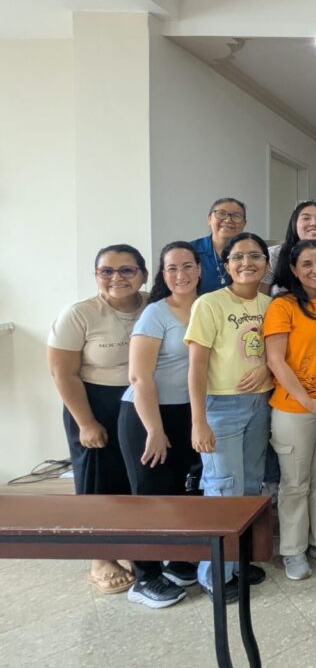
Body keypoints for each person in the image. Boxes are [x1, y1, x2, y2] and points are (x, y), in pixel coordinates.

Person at [47, 244, 149, 594]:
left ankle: (139, 546)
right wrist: (86, 423)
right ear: (96, 276)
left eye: (127, 270)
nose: (116, 277)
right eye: (106, 271)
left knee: (136, 476)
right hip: (95, 403)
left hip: (142, 402)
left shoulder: (153, 305)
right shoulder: (79, 314)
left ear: (143, 274)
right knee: (97, 480)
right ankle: (100, 557)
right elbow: (63, 373)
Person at [184, 232, 274, 601]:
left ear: (266, 263)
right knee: (223, 489)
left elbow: (277, 353)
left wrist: (267, 369)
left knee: (250, 486)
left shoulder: (271, 304)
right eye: (238, 257)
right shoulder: (209, 304)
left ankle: (235, 562)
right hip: (220, 407)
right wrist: (198, 421)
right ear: (226, 265)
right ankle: (214, 575)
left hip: (260, 404)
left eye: (255, 256)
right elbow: (196, 367)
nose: (246, 263)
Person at [119, 242, 202, 608]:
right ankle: (145, 576)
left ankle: (175, 560)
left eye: (187, 266)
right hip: (146, 414)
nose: (181, 274)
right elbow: (139, 377)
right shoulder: (156, 313)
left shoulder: (208, 306)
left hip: (187, 412)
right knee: (149, 496)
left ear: (199, 269)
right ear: (162, 274)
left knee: (178, 493)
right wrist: (154, 429)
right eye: (172, 268)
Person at [263, 240, 316, 581]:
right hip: (293, 407)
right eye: (307, 264)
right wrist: (307, 400)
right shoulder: (282, 306)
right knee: (295, 482)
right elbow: (276, 361)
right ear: (294, 270)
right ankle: (293, 549)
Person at [260, 200, 316, 296]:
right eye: (306, 218)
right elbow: (260, 298)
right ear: (294, 223)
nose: (314, 223)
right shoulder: (273, 255)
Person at [191, 197, 248, 294]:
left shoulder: (251, 254)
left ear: (244, 224)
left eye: (236, 216)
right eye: (221, 213)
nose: (228, 220)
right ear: (209, 219)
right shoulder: (190, 251)